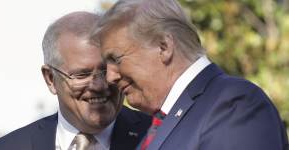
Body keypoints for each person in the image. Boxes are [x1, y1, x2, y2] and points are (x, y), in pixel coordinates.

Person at [91, 0, 289, 150]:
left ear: (164, 47)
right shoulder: (157, 126)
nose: (110, 77)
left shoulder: (234, 105)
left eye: (115, 59)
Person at [0, 11, 151, 150]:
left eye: (106, 70)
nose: (99, 85)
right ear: (50, 79)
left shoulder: (160, 135)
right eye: (82, 74)